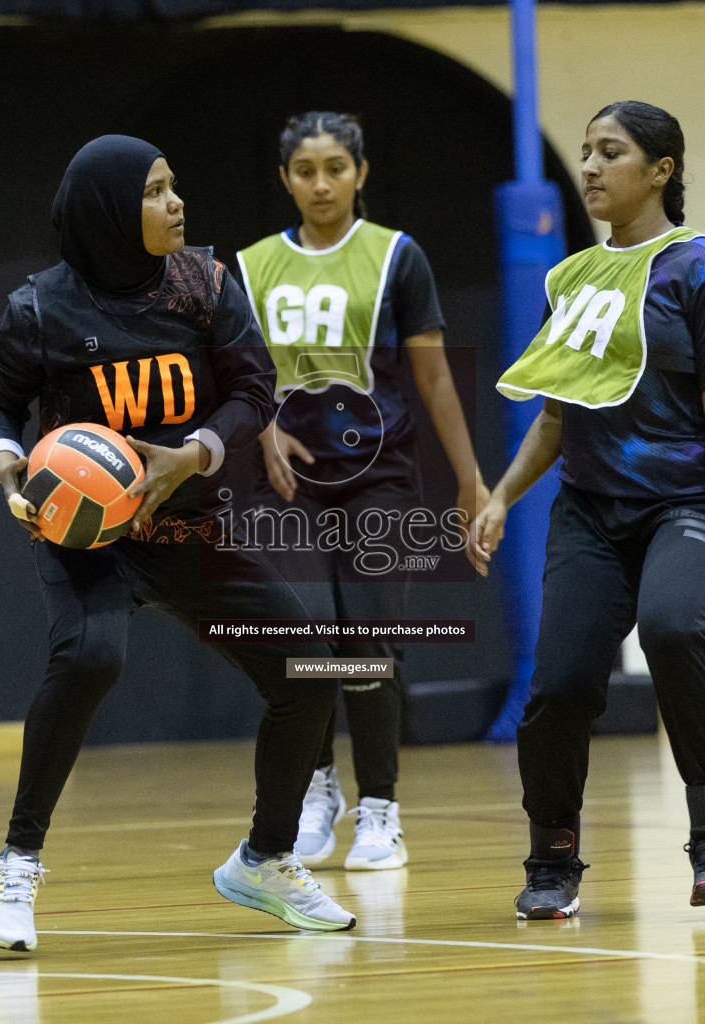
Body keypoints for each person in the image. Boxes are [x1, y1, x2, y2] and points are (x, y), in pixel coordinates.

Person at [0, 135, 356, 950]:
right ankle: (16, 863)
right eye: (154, 191)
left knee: (309, 667)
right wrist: (10, 473)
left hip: (189, 522)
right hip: (88, 534)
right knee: (89, 657)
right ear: (108, 210)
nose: (176, 202)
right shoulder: (38, 308)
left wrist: (193, 455)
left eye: (173, 186)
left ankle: (265, 858)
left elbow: (254, 389)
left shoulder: (208, 286)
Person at [471, 102, 705, 918]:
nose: (592, 167)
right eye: (586, 153)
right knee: (559, 685)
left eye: (612, 152)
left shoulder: (700, 268)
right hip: (592, 513)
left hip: (688, 504)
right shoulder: (568, 278)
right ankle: (552, 859)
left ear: (661, 170)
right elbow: (558, 417)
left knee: (674, 628)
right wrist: (501, 496)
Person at [235, 112, 488, 871]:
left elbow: (434, 376)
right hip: (286, 485)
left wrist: (471, 482)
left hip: (378, 476)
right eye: (306, 170)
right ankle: (319, 789)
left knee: (367, 644)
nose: (321, 183)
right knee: (304, 643)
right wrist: (260, 432)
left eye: (336, 167)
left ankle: (380, 808)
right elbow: (234, 378)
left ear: (361, 173)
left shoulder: (396, 259)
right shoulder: (251, 269)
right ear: (285, 178)